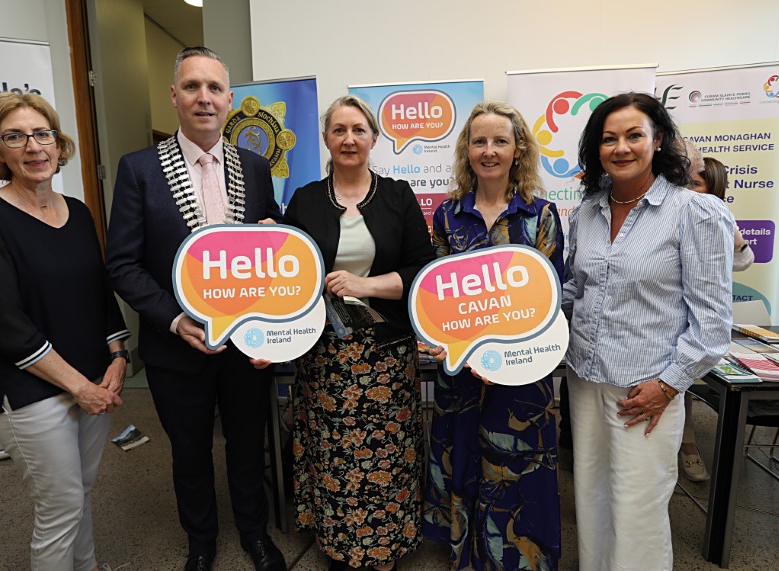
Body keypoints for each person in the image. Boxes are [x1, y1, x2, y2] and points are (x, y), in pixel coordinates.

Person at [105, 47, 285, 571]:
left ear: (230, 100)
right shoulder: (138, 169)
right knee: (188, 451)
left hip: (246, 343)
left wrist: (275, 239)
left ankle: (254, 532)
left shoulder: (254, 166)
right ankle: (200, 541)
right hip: (174, 342)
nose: (203, 98)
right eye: (192, 87)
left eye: (214, 88)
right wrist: (175, 318)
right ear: (174, 96)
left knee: (248, 445)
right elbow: (122, 264)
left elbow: (269, 252)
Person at [0, 92, 130, 571]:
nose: (33, 147)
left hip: (94, 379)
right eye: (15, 136)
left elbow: (99, 294)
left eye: (42, 133)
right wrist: (80, 387)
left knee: (81, 494)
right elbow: (5, 325)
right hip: (33, 390)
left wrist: (118, 357)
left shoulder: (79, 211)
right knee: (60, 507)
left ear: (57, 142)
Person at [562, 92, 733, 570]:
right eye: (609, 138)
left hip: (645, 391)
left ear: (658, 141)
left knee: (638, 511)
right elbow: (577, 291)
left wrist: (668, 386)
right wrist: (517, 320)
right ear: (596, 148)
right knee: (591, 501)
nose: (621, 147)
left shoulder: (694, 213)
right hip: (585, 380)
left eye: (634, 135)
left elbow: (713, 324)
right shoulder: (587, 214)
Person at [282, 95, 434, 570]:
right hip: (325, 350)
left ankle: (384, 545)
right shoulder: (305, 199)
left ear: (373, 137)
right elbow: (288, 277)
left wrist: (364, 285)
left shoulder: (398, 195)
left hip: (385, 350)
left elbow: (420, 269)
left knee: (388, 451)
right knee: (332, 452)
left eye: (359, 130)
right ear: (326, 139)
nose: (349, 139)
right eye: (339, 130)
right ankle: (339, 543)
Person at [422, 101, 565, 570]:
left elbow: (549, 302)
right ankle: (467, 556)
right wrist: (449, 342)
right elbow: (436, 299)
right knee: (464, 460)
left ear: (518, 148)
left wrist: (503, 357)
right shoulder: (447, 216)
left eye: (500, 141)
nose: (489, 151)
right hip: (462, 375)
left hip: (523, 379)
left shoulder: (540, 217)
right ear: (467, 149)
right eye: (479, 141)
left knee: (518, 471)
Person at [677, 155, 754, 481]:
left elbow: (744, 261)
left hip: (705, 321)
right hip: (677, 317)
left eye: (696, 184)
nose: (688, 190)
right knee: (679, 386)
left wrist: (735, 237)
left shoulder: (717, 217)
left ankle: (689, 447)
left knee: (684, 380)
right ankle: (686, 444)